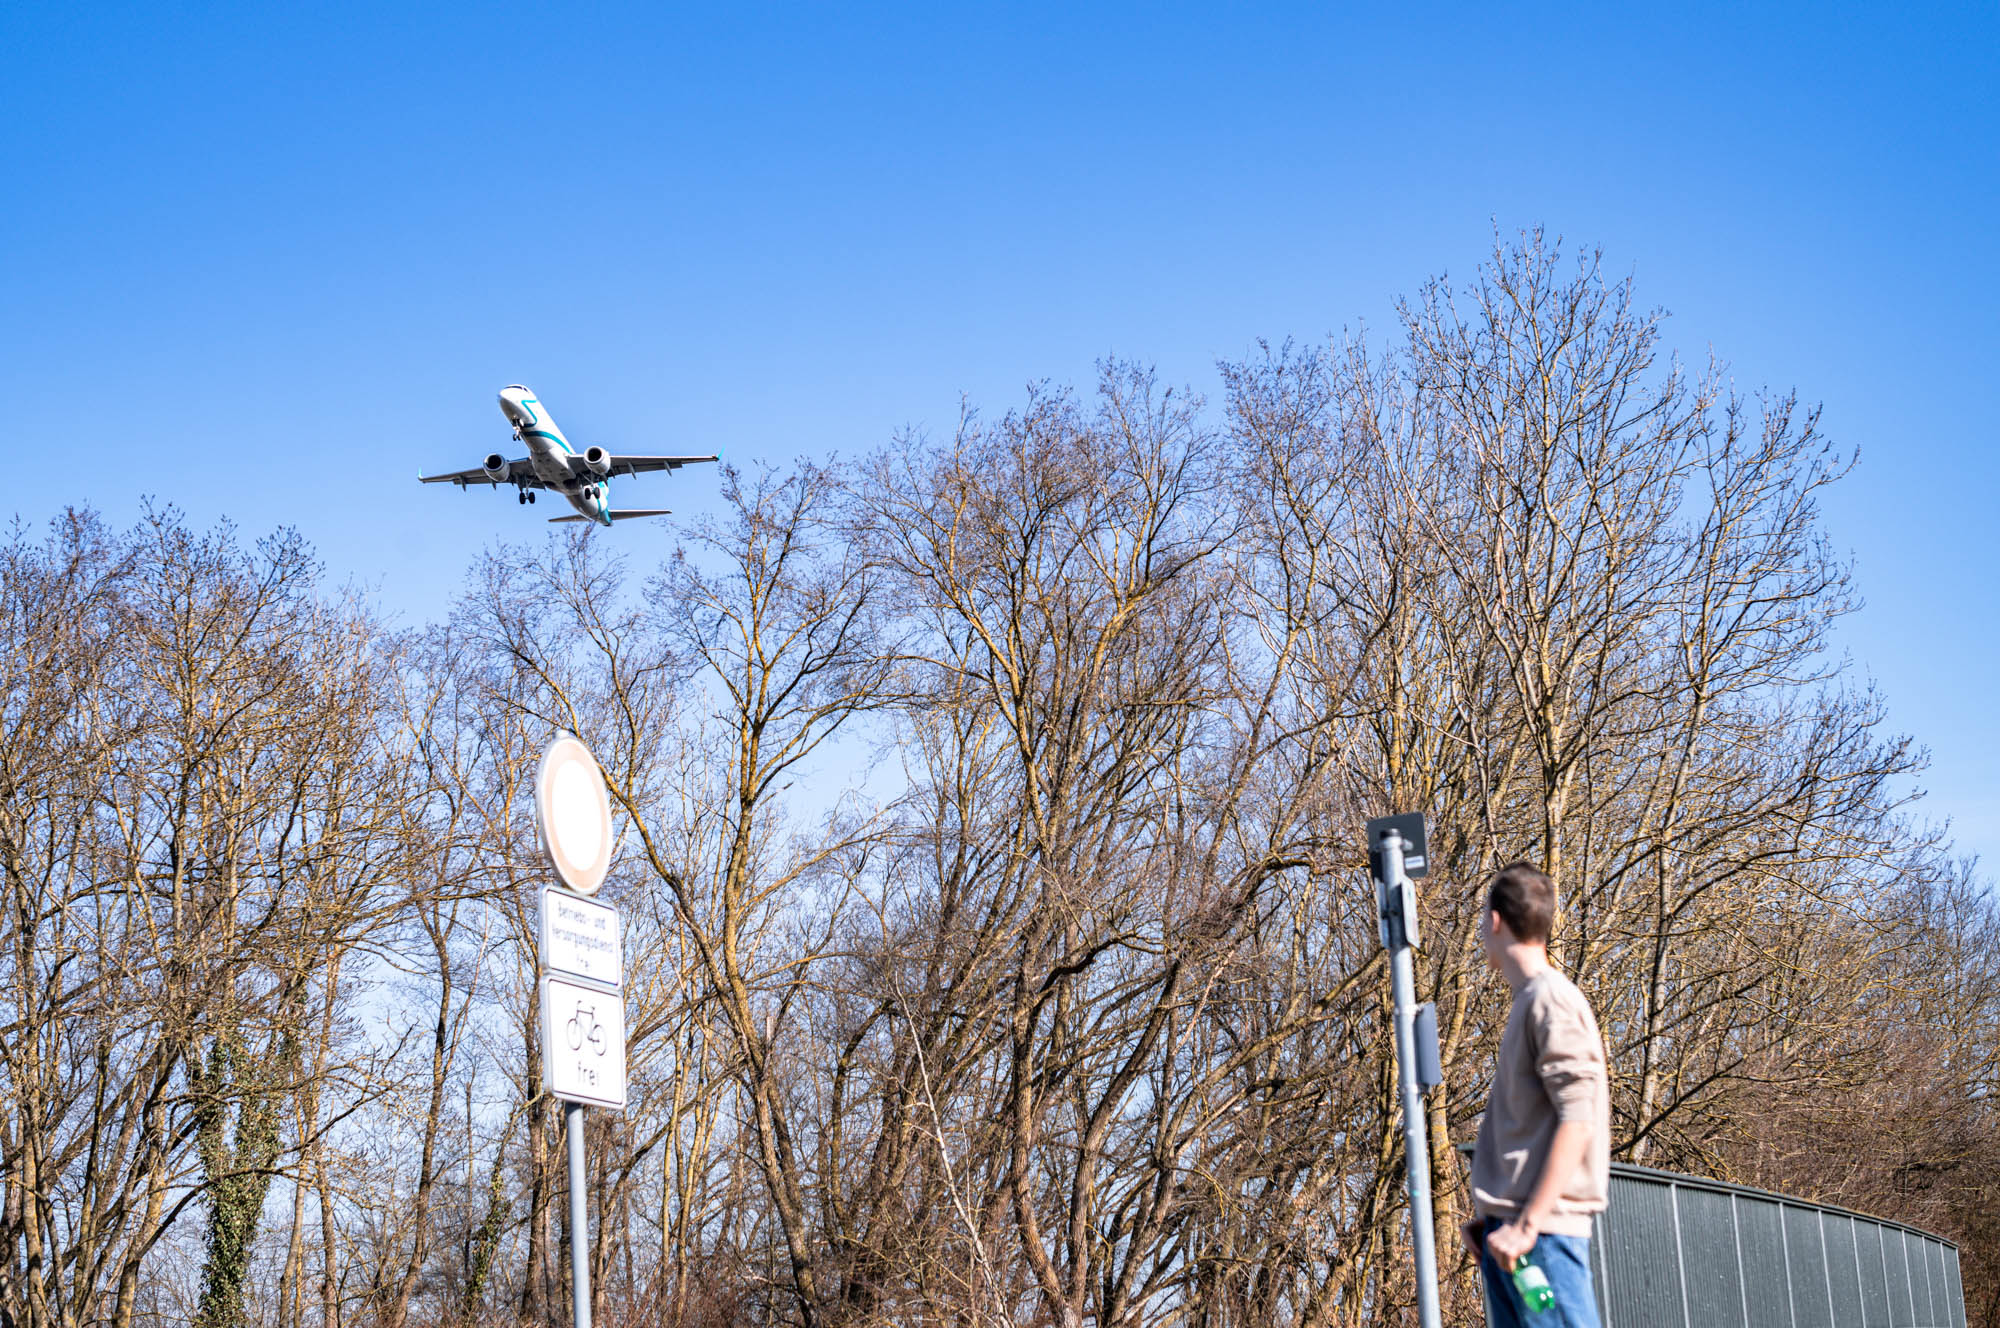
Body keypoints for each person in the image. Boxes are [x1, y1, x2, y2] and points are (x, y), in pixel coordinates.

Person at [1460, 862, 1610, 1327]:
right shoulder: (1529, 1001)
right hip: (1513, 1236)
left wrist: (1526, 1225)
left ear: (1496, 921)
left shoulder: (1552, 1000)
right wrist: (1496, 1216)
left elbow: (1579, 1118)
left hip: (1541, 1236)